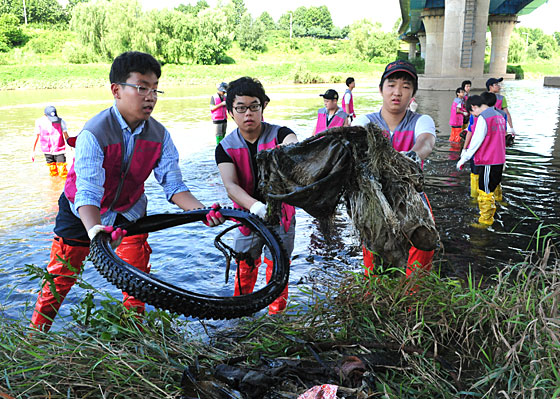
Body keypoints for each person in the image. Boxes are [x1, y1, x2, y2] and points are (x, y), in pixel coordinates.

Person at [30, 51, 225, 332]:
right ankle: (35, 336)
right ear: (116, 90)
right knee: (60, 277)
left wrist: (200, 211)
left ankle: (135, 335)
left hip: (129, 211)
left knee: (137, 278)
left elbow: (174, 186)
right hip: (80, 212)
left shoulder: (160, 135)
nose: (151, 96)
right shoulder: (93, 133)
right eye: (142, 87)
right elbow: (87, 192)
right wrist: (96, 230)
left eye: (155, 89)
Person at [215, 76, 298, 314]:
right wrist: (255, 207)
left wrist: (289, 149)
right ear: (231, 112)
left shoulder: (280, 134)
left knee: (279, 267)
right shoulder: (225, 148)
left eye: (254, 106)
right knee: (245, 268)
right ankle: (242, 314)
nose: (248, 113)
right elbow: (231, 186)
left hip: (282, 215)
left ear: (264, 106)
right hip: (246, 218)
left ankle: (276, 316)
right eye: (240, 108)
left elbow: (293, 142)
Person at [352, 60, 436, 278]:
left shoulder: (421, 120)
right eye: (391, 85)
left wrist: (412, 156)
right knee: (374, 257)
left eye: (406, 86)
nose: (397, 92)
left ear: (413, 94)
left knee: (423, 244)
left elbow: (426, 141)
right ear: (381, 89)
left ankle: (414, 298)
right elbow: (352, 141)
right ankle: (374, 295)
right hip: (374, 200)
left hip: (411, 197)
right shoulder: (364, 121)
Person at [456, 94, 506, 227]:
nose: (474, 116)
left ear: (473, 107)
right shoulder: (499, 115)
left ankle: (485, 222)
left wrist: (463, 159)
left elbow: (477, 140)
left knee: (485, 191)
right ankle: (491, 217)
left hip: (488, 160)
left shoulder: (484, 118)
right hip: (499, 160)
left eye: (472, 112)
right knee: (490, 188)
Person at [31, 106, 70, 178]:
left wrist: (71, 146)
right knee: (53, 171)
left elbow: (66, 135)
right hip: (47, 150)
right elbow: (36, 136)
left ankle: (63, 186)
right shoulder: (39, 122)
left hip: (59, 149)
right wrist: (33, 151)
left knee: (63, 172)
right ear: (45, 115)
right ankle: (55, 186)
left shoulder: (61, 121)